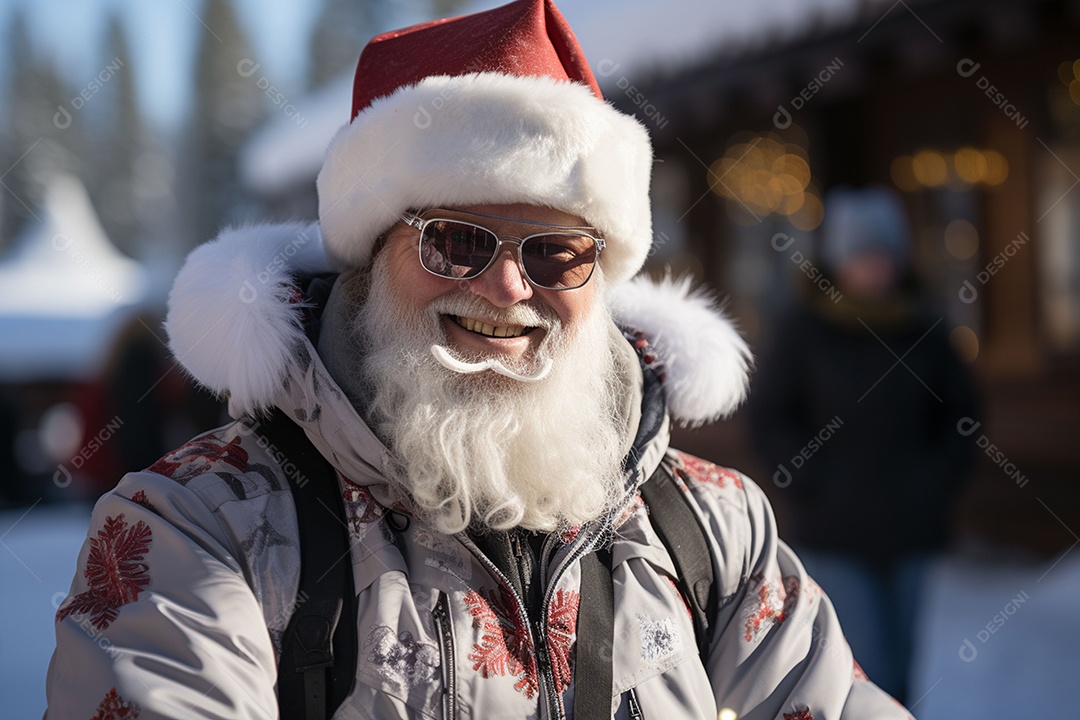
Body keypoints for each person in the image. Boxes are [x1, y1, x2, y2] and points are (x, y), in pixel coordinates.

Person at [45, 2, 914, 718]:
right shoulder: (196, 527)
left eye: (557, 253)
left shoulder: (715, 527)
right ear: (366, 261)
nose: (506, 287)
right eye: (455, 241)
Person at [748, 186, 977, 702]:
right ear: (838, 261)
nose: (875, 267)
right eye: (862, 255)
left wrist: (936, 482)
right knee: (862, 664)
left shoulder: (924, 328)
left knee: (902, 664)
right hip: (834, 532)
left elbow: (962, 416)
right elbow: (769, 418)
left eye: (884, 254)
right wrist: (813, 482)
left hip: (911, 528)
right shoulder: (804, 330)